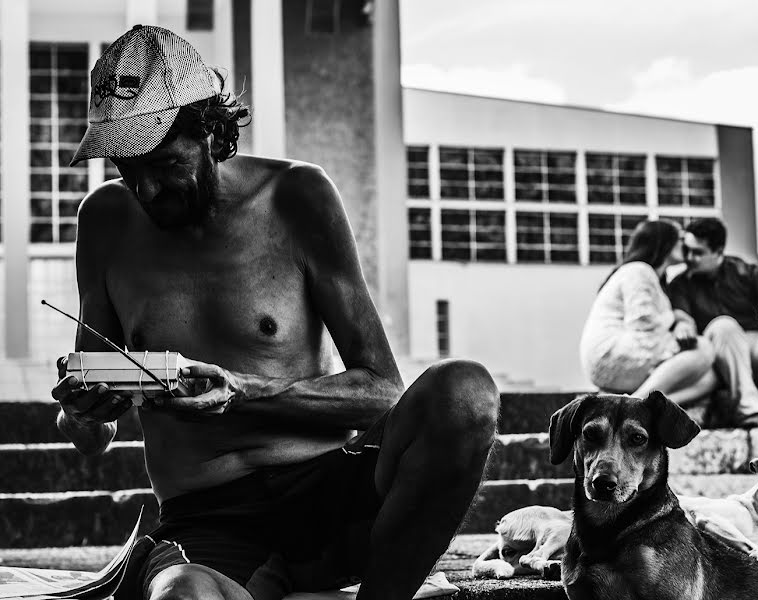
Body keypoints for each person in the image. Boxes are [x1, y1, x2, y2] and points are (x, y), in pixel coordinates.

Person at [51, 25, 499, 600]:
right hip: (206, 520)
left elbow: (383, 391)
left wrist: (247, 389)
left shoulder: (298, 197)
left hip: (330, 489)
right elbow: (92, 435)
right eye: (125, 166)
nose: (145, 188)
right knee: (181, 596)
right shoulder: (104, 221)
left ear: (209, 131)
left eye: (163, 163)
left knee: (464, 393)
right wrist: (83, 416)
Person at [667, 217, 758, 429]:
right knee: (723, 325)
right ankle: (748, 410)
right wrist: (683, 326)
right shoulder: (681, 283)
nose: (689, 258)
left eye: (698, 252)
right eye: (687, 250)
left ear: (718, 251)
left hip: (755, 349)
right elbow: (682, 316)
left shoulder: (747, 271)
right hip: (718, 358)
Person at [579, 219, 716, 404]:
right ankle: (635, 403)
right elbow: (644, 325)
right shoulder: (639, 270)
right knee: (703, 348)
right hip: (612, 354)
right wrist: (677, 319)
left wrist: (681, 322)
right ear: (664, 243)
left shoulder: (656, 280)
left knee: (709, 377)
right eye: (679, 239)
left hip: (629, 354)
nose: (684, 245)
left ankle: (648, 406)